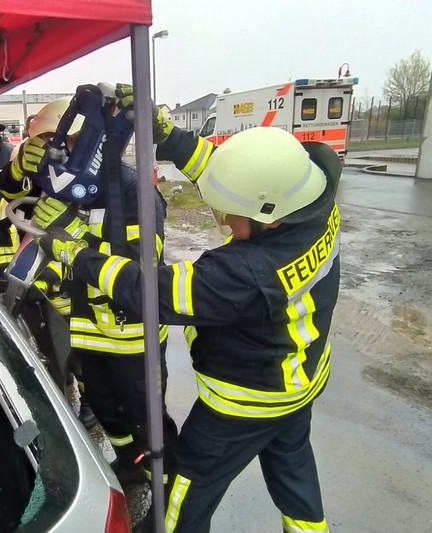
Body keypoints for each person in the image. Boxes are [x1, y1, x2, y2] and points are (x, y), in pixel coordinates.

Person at [39, 86, 341, 533]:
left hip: (245, 402)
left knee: (183, 498)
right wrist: (169, 136)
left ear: (269, 216)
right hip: (301, 381)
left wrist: (76, 255)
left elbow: (151, 291)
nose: (225, 221)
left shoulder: (244, 273)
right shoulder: (315, 205)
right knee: (293, 474)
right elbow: (235, 178)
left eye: (232, 215)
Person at [5, 95, 179, 488]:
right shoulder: (66, 183)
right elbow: (9, 191)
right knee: (104, 406)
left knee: (147, 420)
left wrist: (71, 231)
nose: (52, 154)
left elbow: (137, 269)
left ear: (87, 140)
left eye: (57, 143)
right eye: (44, 145)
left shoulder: (134, 189)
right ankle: (130, 462)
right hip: (87, 326)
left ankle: (165, 489)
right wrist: (18, 167)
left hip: (132, 336)